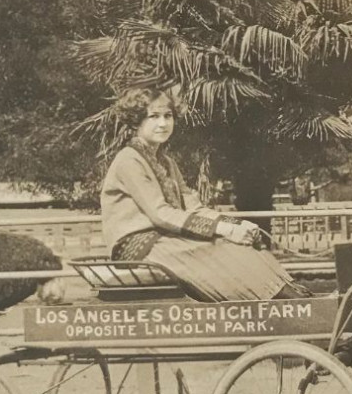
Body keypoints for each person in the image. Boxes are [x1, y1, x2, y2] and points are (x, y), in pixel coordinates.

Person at [99, 87, 305, 302]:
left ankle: (292, 297)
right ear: (136, 121)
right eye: (153, 117)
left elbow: (193, 207)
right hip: (140, 247)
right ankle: (278, 302)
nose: (163, 124)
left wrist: (235, 225)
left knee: (239, 243)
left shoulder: (167, 163)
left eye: (168, 116)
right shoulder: (129, 160)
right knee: (218, 249)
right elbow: (160, 213)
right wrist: (223, 230)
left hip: (164, 238)